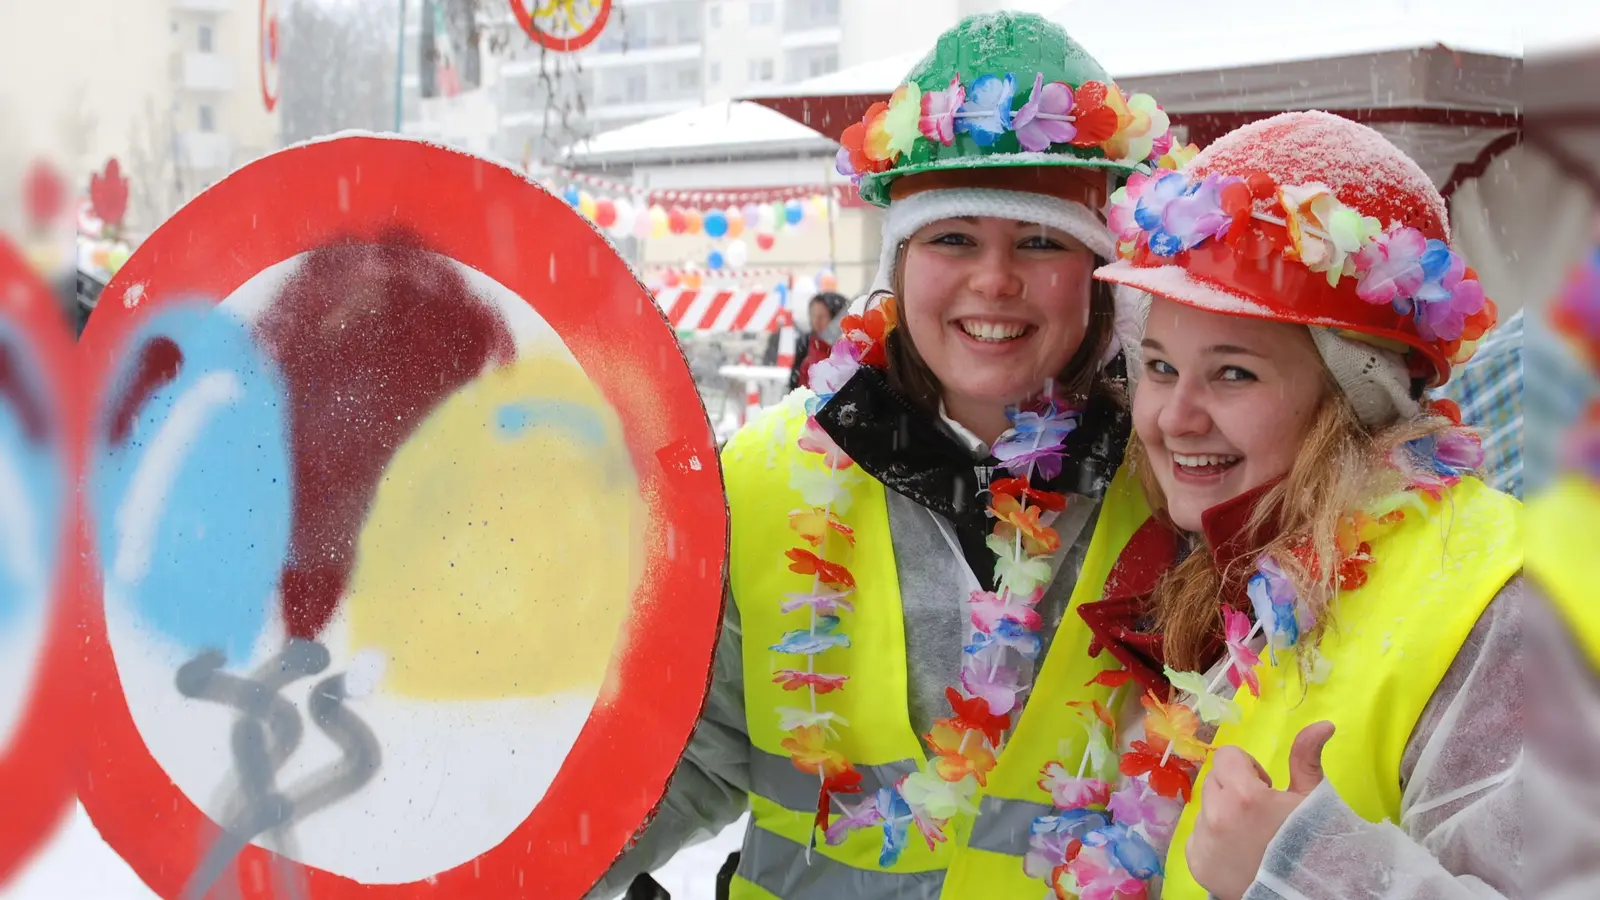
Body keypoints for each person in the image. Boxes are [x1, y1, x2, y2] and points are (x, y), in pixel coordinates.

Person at [588, 11, 1185, 898]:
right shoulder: (761, 478)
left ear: (1098, 273)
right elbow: (692, 754)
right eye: (953, 237)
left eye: (1041, 240)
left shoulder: (1173, 480)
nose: (995, 279)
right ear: (899, 261)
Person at [1026, 109, 1577, 899]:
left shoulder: (1500, 598)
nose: (1174, 417)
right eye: (1160, 366)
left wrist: (1302, 869)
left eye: (1234, 373)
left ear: (1355, 396)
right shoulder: (1221, 556)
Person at [789, 291, 848, 390]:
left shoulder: (846, 348)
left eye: (822, 316)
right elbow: (794, 382)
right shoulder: (805, 343)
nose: (815, 321)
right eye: (813, 315)